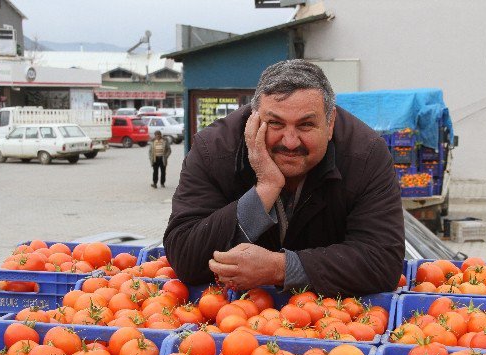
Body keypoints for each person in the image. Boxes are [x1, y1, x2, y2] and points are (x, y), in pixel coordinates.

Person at [163, 59, 404, 296]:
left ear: (330, 124)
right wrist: (265, 189)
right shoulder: (214, 150)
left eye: (306, 125)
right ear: (253, 119)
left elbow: (382, 261)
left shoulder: (366, 155)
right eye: (275, 123)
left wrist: (280, 268)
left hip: (329, 317)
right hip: (239, 316)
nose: (290, 142)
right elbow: (185, 256)